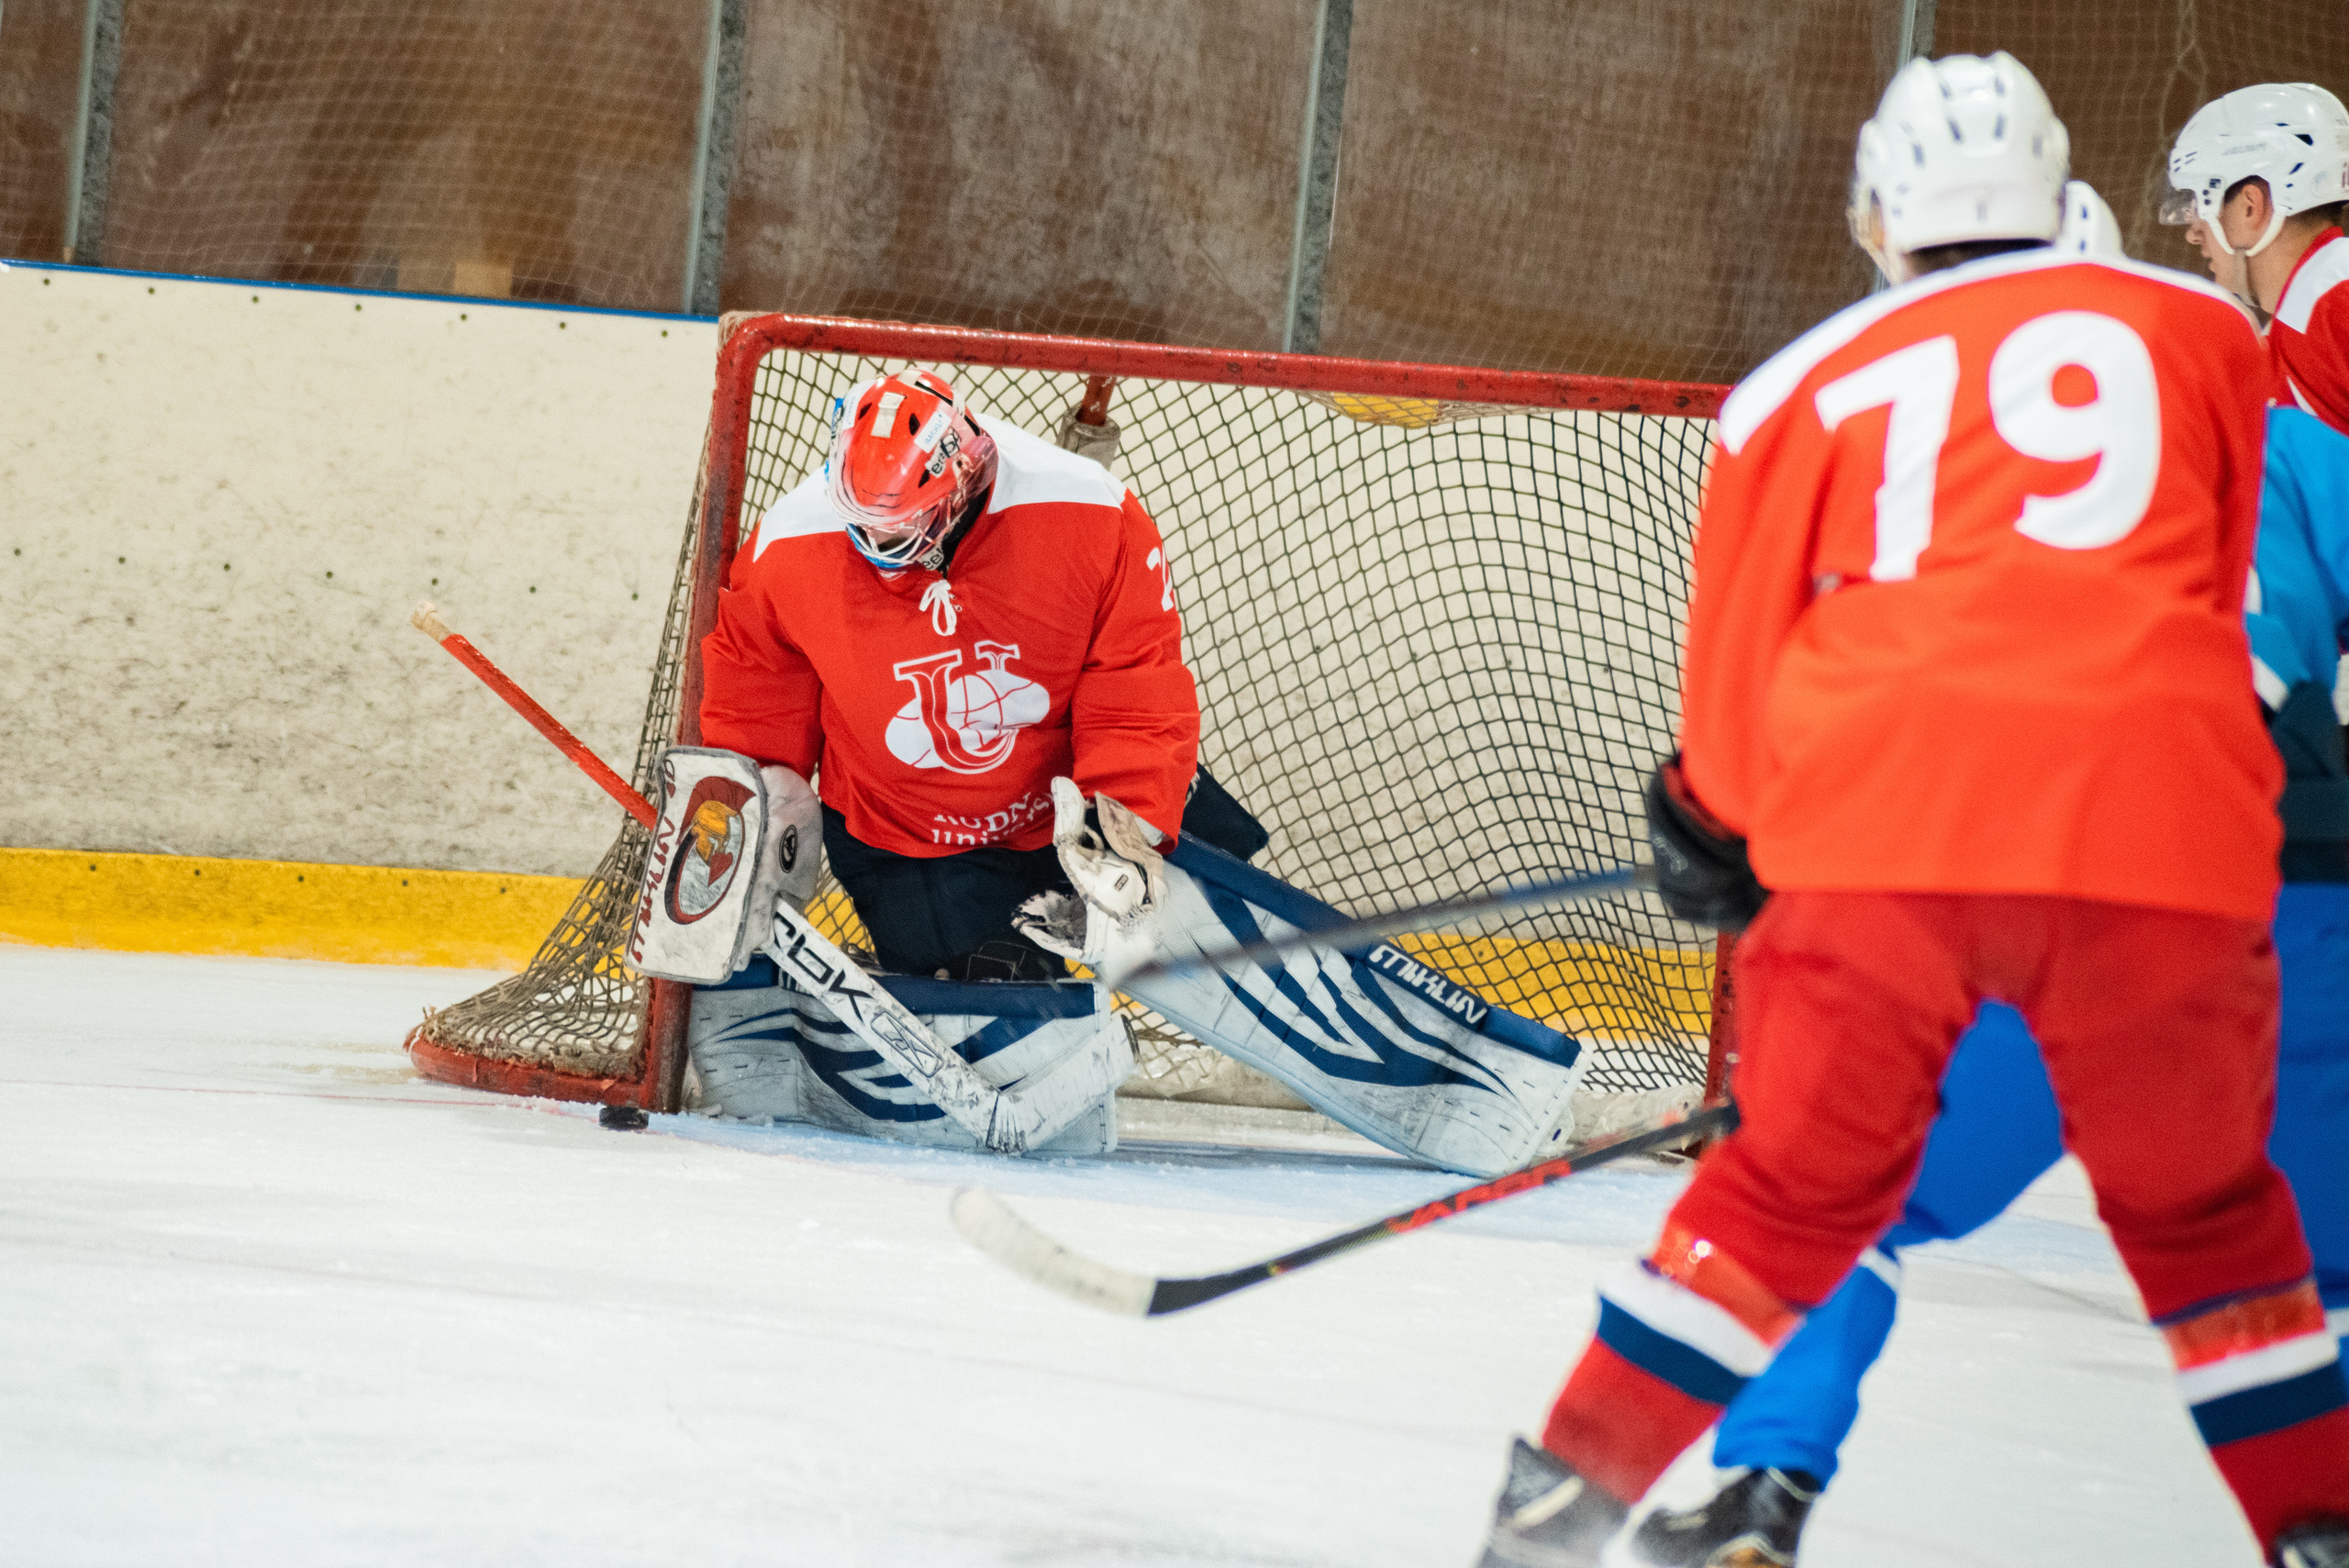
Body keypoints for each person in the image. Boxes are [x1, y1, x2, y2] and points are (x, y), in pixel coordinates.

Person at [1470, 53, 2349, 1568]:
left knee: (1789, 1195)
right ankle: (2318, 1528)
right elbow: (2245, 595)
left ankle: (1585, 1497)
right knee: (2224, 1230)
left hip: (1902, 845)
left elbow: (1739, 708)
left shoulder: (1798, 387)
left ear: (1883, 211)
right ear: (2068, 203)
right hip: (2194, 856)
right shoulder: (2212, 335)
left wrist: (1719, 825)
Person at [699, 367, 1219, 983]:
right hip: (903, 839)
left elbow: (1134, 692)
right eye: (861, 520)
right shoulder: (790, 543)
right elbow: (755, 709)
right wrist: (747, 835)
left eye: (900, 525)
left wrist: (1123, 839)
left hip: (1060, 820)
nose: (875, 540)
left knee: (1206, 862)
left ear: (962, 483)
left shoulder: (1090, 513)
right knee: (1003, 986)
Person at [2165, 83, 2349, 428]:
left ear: (2251, 207)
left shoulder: (2337, 296)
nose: (2193, 233)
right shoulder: (2292, 325)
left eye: (2200, 202)